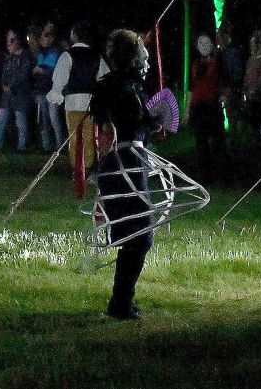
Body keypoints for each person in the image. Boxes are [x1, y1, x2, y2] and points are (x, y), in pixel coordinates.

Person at [90, 29, 161, 320]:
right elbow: (132, 119)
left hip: (119, 162)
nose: (146, 63)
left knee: (135, 234)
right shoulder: (126, 89)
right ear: (131, 58)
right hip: (125, 163)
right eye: (142, 56)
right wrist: (152, 122)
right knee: (140, 234)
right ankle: (120, 303)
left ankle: (121, 301)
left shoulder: (113, 85)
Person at [47, 21, 110, 171]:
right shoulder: (97, 57)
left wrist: (56, 95)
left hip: (73, 103)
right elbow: (105, 79)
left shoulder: (67, 55)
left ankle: (78, 169)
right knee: (89, 136)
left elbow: (59, 78)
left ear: (74, 36)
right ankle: (88, 167)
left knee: (75, 137)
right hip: (91, 104)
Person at [187, 34, 227, 182]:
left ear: (211, 44)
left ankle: (222, 175)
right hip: (198, 108)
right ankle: (205, 176)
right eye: (200, 43)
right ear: (196, 47)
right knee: (201, 143)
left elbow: (224, 82)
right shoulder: (195, 63)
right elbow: (192, 88)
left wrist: (223, 97)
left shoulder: (218, 62)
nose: (203, 45)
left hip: (212, 106)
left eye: (206, 42)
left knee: (218, 142)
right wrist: (187, 110)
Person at [0, 29, 33, 152]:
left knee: (20, 121)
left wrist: (12, 86)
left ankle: (22, 146)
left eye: (12, 40)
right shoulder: (9, 58)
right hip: (7, 96)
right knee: (1, 119)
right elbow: (4, 74)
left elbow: (24, 74)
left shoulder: (25, 56)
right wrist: (4, 85)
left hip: (20, 94)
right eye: (8, 39)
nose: (9, 43)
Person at [33, 27, 63, 151]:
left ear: (51, 39)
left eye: (46, 37)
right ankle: (46, 146)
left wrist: (42, 71)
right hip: (41, 91)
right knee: (44, 120)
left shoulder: (55, 53)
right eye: (42, 37)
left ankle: (59, 144)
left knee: (54, 119)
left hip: (52, 91)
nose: (43, 39)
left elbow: (55, 72)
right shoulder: (40, 54)